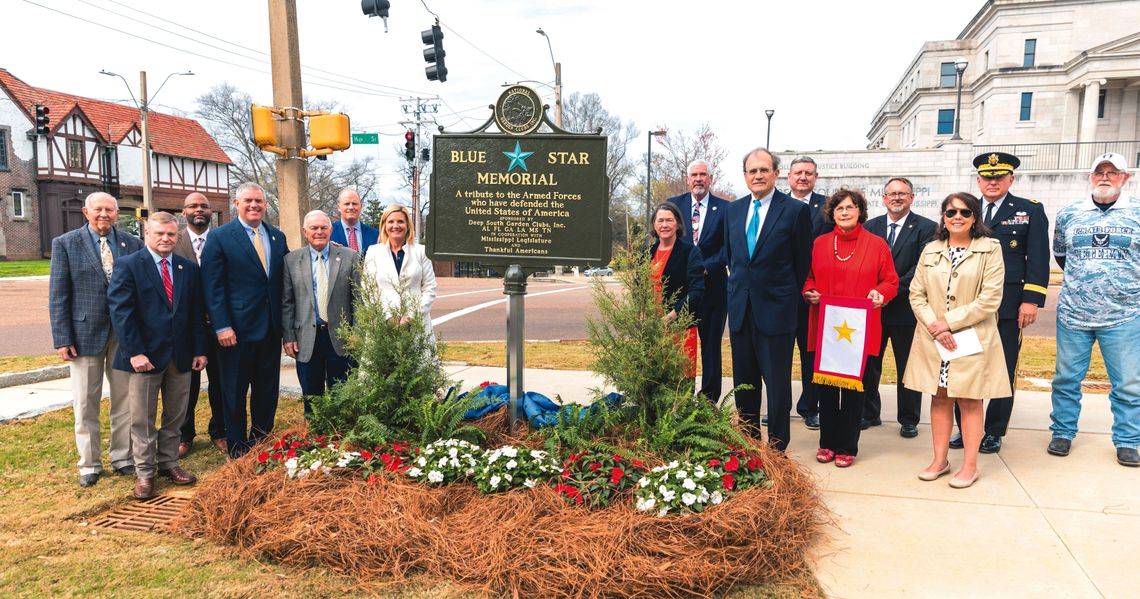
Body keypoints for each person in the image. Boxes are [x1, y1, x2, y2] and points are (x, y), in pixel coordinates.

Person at [904, 192, 1009, 489]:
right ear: (943, 217)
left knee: (969, 398)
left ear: (975, 217)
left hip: (971, 337)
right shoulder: (931, 249)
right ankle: (940, 460)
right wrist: (937, 327)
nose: (957, 218)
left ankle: (970, 465)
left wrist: (949, 322)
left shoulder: (990, 249)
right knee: (939, 396)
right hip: (934, 337)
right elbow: (916, 293)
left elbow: (990, 299)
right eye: (951, 213)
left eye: (965, 212)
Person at [948, 152, 1049, 454]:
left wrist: (1030, 300)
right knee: (964, 365)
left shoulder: (1028, 210)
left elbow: (1038, 258)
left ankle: (993, 430)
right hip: (967, 305)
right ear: (978, 180)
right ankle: (966, 428)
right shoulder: (966, 209)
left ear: (1010, 179)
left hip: (1007, 305)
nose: (992, 182)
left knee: (1002, 368)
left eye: (998, 177)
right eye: (986, 177)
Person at [1048, 153, 1140, 467]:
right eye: (1099, 172)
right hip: (1074, 314)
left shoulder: (1137, 211)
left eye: (1112, 172)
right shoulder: (1070, 213)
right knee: (1065, 379)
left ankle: (1128, 440)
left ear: (1124, 178)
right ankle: (1062, 432)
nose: (1104, 177)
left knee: (1128, 383)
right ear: (1090, 177)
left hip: (1124, 315)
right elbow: (1061, 255)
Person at [107, 212, 206, 500]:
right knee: (142, 418)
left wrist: (199, 349)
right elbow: (121, 313)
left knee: (176, 414)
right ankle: (145, 473)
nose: (166, 239)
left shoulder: (188, 269)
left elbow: (196, 313)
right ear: (146, 234)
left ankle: (169, 463)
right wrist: (134, 352)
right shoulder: (129, 266)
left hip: (181, 356)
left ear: (177, 235)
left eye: (171, 234)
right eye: (159, 233)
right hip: (144, 358)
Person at [49, 192, 144, 487]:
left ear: (117, 213)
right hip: (83, 334)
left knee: (125, 400)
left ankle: (123, 458)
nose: (104, 214)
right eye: (98, 209)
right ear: (86, 212)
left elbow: (140, 293)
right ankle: (89, 464)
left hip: (124, 334)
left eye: (110, 210)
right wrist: (63, 337)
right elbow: (58, 294)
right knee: (85, 402)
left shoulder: (133, 244)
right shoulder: (65, 244)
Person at [724, 147, 813, 450]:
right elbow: (733, 260)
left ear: (776, 173)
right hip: (740, 312)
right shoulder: (732, 211)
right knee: (744, 385)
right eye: (752, 170)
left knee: (776, 386)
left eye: (764, 170)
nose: (758, 175)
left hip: (776, 313)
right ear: (745, 176)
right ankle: (748, 443)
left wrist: (783, 297)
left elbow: (802, 264)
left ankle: (777, 447)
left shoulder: (795, 211)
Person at [803, 189, 898, 468]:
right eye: (839, 208)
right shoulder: (820, 243)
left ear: (860, 212)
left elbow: (890, 281)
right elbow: (808, 278)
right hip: (827, 327)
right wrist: (809, 291)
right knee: (828, 389)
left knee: (856, 391)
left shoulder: (877, 244)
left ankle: (848, 446)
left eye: (850, 207)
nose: (844, 212)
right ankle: (827, 443)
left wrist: (880, 294)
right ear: (832, 213)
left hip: (860, 329)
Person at [199, 182, 289, 459]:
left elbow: (280, 282)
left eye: (259, 201)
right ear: (236, 204)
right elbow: (212, 287)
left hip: (270, 329)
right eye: (248, 201)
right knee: (234, 391)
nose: (254, 206)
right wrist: (222, 325)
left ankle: (261, 441)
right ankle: (238, 447)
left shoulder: (277, 236)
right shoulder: (220, 237)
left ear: (265, 204)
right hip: (235, 331)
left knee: (266, 390)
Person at [863, 177, 937, 438]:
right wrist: (876, 293)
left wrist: (888, 290)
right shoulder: (869, 227)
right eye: (892, 194)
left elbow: (921, 268)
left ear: (911, 198)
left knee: (908, 365)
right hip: (874, 309)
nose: (897, 198)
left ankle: (909, 418)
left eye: (902, 194)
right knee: (870, 363)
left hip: (906, 308)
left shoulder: (927, 228)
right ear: (883, 198)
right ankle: (869, 413)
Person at [282, 211, 362, 415]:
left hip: (342, 338)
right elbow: (287, 302)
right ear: (305, 232)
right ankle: (315, 437)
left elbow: (358, 300)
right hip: (306, 338)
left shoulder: (349, 257)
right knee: (312, 396)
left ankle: (340, 437)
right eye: (314, 228)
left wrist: (356, 333)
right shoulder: (291, 260)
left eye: (323, 228)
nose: (319, 232)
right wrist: (289, 336)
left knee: (342, 394)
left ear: (331, 230)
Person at [666, 160, 728, 401]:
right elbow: (668, 240)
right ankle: (680, 393)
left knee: (711, 346)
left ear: (710, 178)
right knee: (682, 346)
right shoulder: (674, 205)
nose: (699, 179)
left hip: (713, 290)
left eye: (703, 174)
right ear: (687, 178)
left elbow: (728, 247)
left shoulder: (725, 209)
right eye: (694, 175)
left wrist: (704, 268)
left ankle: (709, 397)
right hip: (683, 292)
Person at [172, 192, 226, 458]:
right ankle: (184, 434)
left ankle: (220, 431)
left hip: (219, 325)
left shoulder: (222, 239)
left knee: (220, 381)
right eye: (193, 205)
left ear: (211, 210)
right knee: (186, 384)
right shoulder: (174, 242)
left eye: (204, 206)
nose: (199, 210)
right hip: (186, 327)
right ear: (184, 212)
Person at [785, 156, 831, 430]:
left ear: (816, 177)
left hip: (813, 295)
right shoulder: (777, 204)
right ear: (788, 177)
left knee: (810, 354)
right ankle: (781, 406)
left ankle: (809, 407)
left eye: (808, 173)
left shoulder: (827, 207)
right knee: (779, 355)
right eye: (798, 173)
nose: (803, 177)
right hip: (782, 293)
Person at [648, 202, 705, 374]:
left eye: (669, 220)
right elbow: (639, 288)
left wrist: (672, 315)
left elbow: (696, 292)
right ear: (654, 225)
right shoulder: (646, 253)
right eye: (660, 221)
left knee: (679, 383)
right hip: (652, 328)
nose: (664, 225)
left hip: (680, 327)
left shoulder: (690, 252)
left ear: (678, 224)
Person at [363, 204, 437, 333]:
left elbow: (429, 289)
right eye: (391, 222)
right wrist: (388, 317)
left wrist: (411, 317)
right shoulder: (373, 252)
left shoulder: (421, 252)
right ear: (384, 225)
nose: (395, 226)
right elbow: (368, 289)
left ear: (407, 225)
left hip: (416, 327)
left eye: (400, 221)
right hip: (383, 325)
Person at [329, 188, 379, 255]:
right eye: (347, 204)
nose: (351, 207)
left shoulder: (375, 235)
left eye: (354, 203)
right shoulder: (329, 233)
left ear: (361, 206)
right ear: (338, 207)